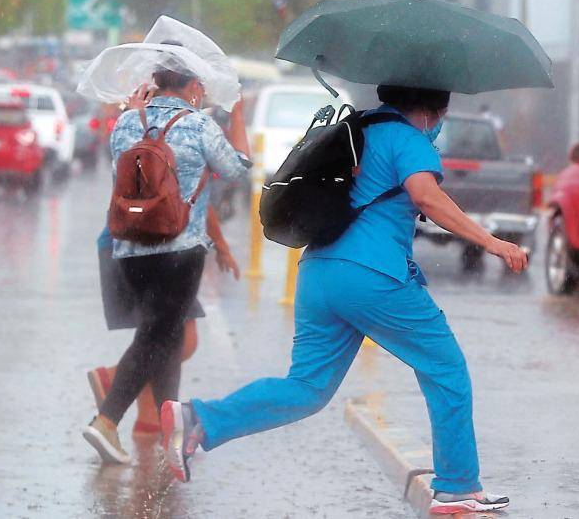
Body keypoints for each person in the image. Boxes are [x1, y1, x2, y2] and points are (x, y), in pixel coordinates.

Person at [162, 85, 528, 515]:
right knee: (445, 368)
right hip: (372, 275)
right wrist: (492, 242)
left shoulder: (359, 128)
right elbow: (426, 195)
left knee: (307, 389)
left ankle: (200, 419)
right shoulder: (408, 137)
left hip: (319, 272)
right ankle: (457, 486)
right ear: (432, 111)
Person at [82, 66, 250, 464]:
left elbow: (120, 177)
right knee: (156, 338)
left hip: (130, 248)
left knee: (168, 338)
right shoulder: (198, 125)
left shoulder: (125, 122)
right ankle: (106, 421)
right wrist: (238, 115)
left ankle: (171, 434)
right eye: (200, 88)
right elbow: (237, 170)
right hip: (179, 250)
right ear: (192, 86)